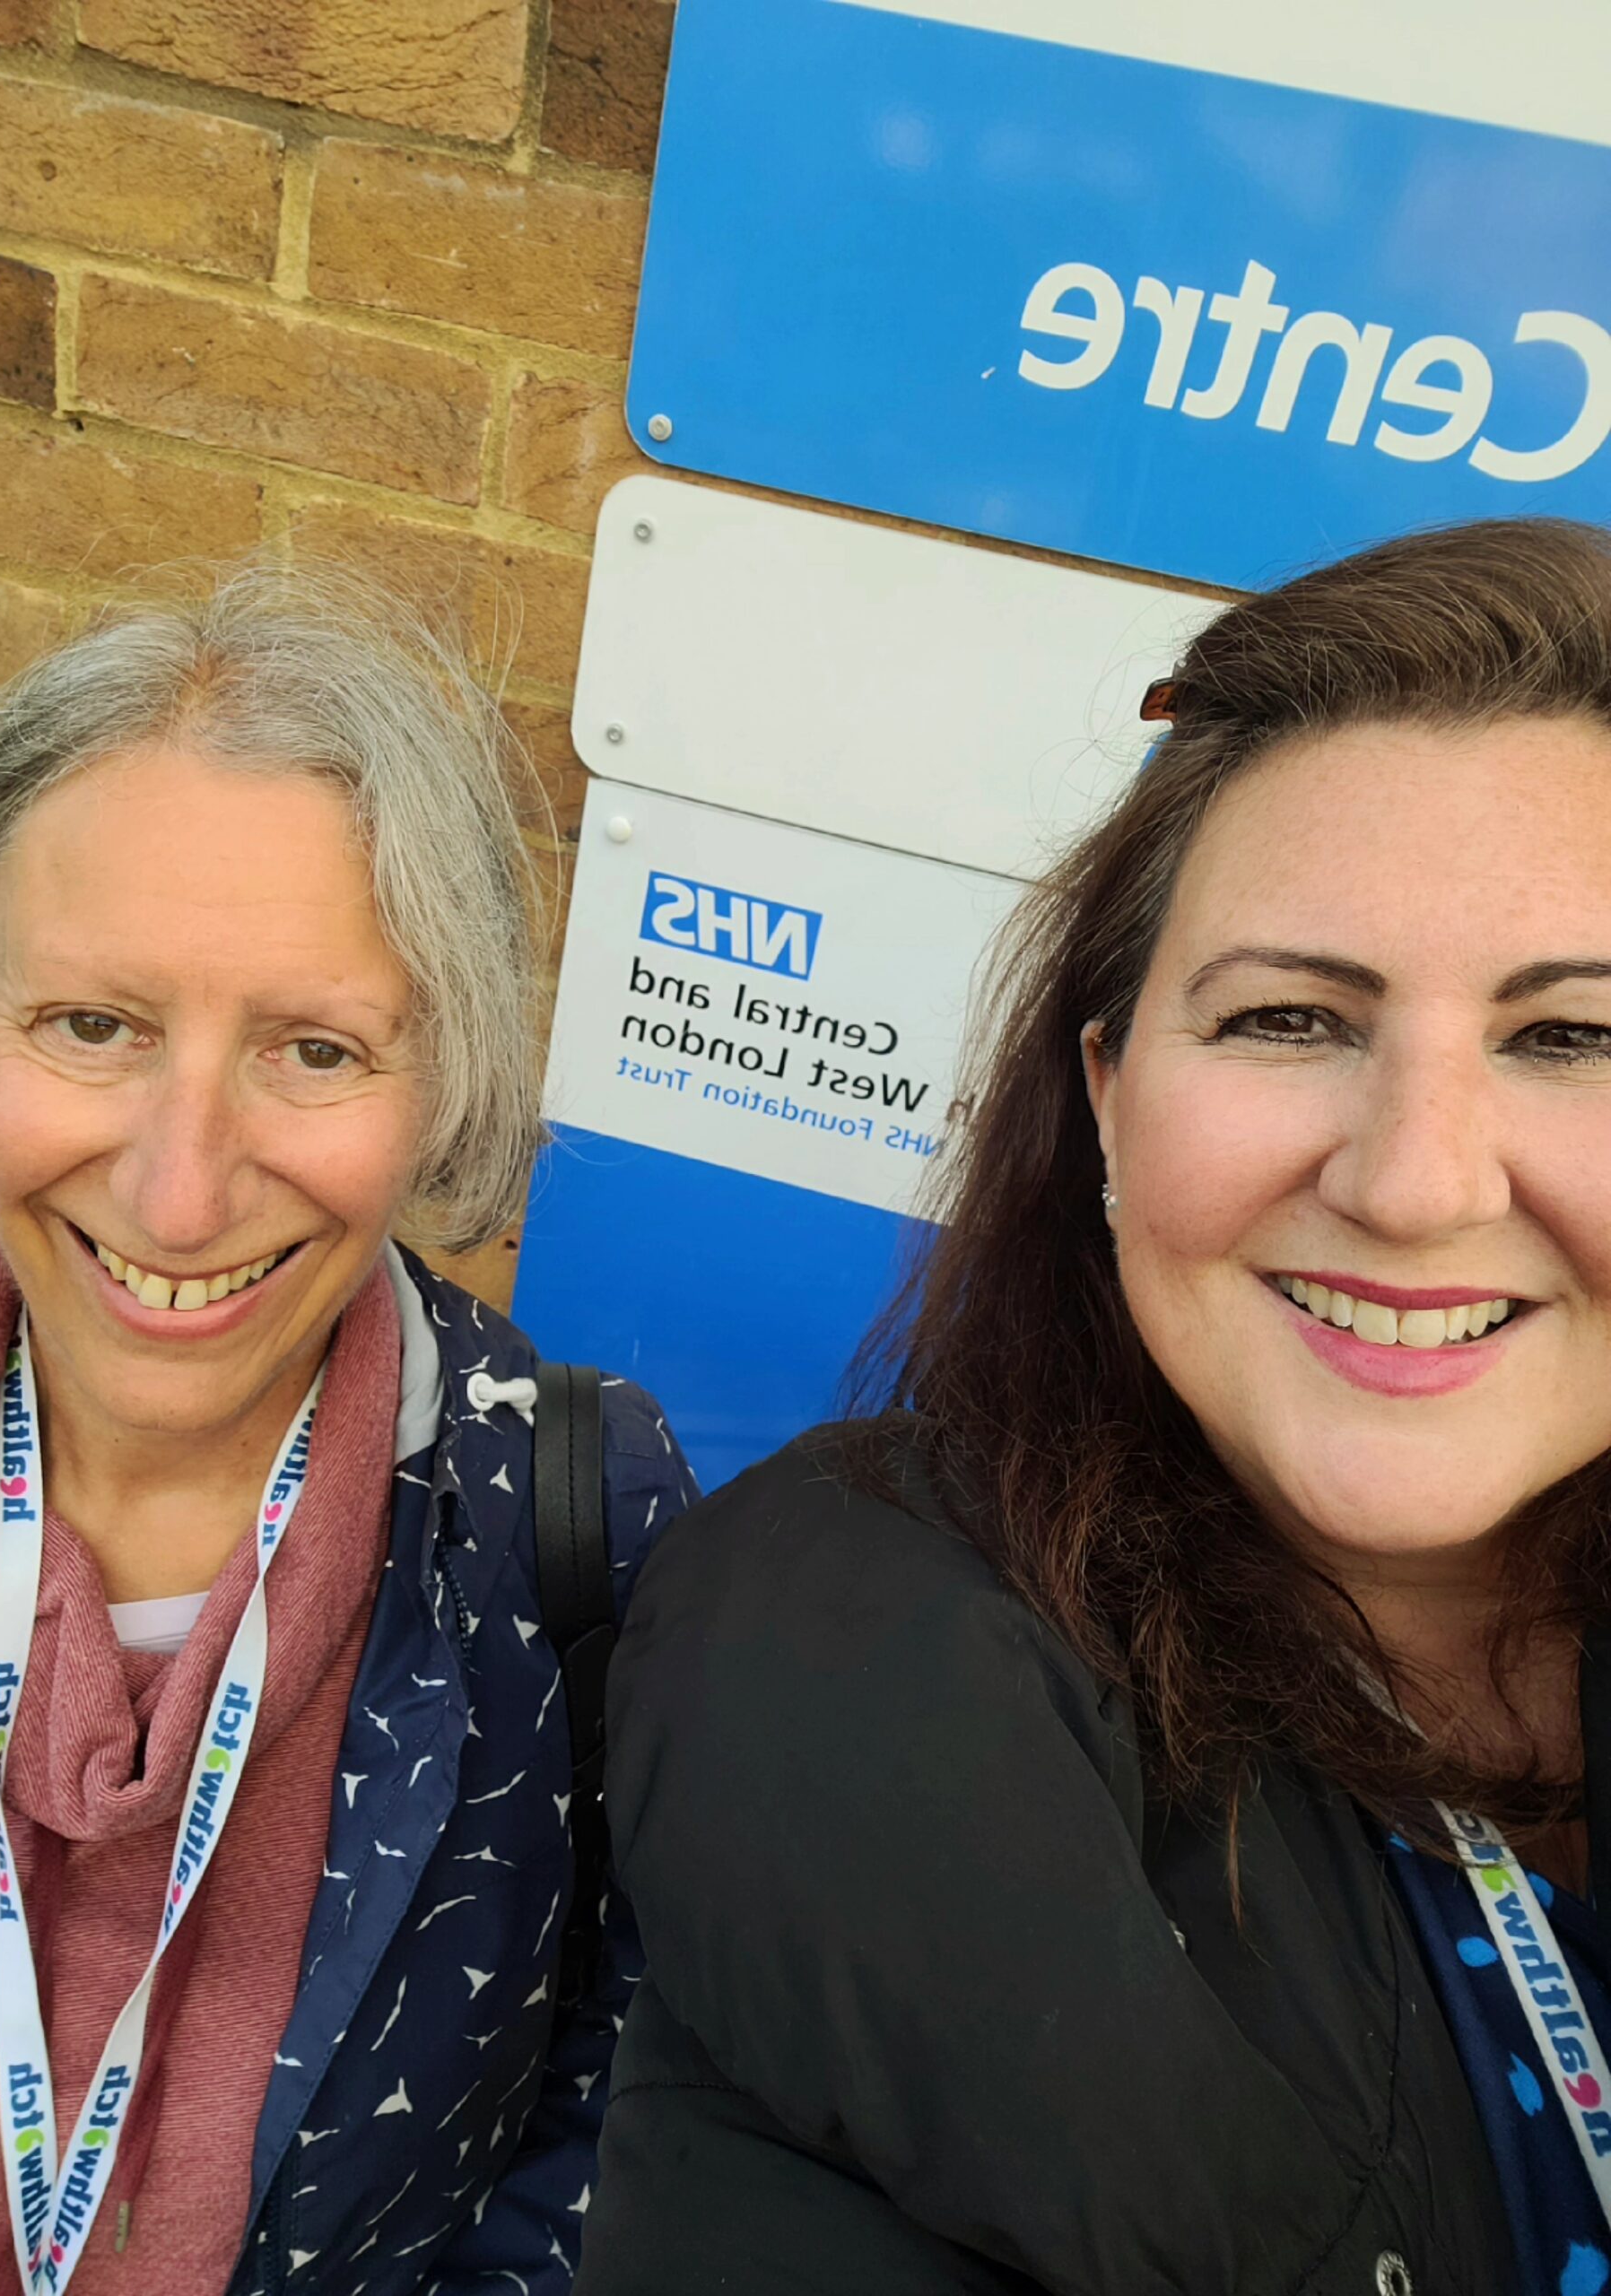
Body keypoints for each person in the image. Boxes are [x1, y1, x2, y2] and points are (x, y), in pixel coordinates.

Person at [579, 518, 1611, 2296]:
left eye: (1573, 1038)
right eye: (1291, 1016)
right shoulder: (864, 1687)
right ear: (1111, 1099)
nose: (1418, 1181)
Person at [0, 567, 696, 2296]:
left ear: (444, 1066)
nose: (179, 1193)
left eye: (316, 1051)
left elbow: (609, 2120)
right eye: (90, 1024)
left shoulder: (570, 1517)